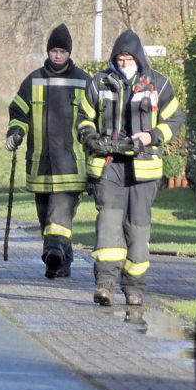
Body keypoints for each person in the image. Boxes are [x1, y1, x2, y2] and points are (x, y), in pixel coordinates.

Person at [76, 30, 183, 306]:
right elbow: (83, 118)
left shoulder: (158, 84)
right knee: (108, 225)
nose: (124, 64)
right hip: (108, 165)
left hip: (143, 168)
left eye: (128, 59)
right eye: (119, 59)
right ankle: (105, 284)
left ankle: (134, 287)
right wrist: (90, 137)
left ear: (138, 57)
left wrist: (150, 137)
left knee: (137, 230)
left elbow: (174, 121)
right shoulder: (98, 83)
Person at [5, 24, 90, 279]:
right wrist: (16, 133)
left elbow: (95, 117)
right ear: (48, 51)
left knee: (58, 215)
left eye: (62, 51)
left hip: (71, 165)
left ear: (69, 53)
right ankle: (63, 261)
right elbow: (18, 112)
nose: (57, 55)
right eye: (54, 50)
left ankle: (52, 256)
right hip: (40, 163)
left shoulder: (84, 81)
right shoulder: (33, 80)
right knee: (46, 217)